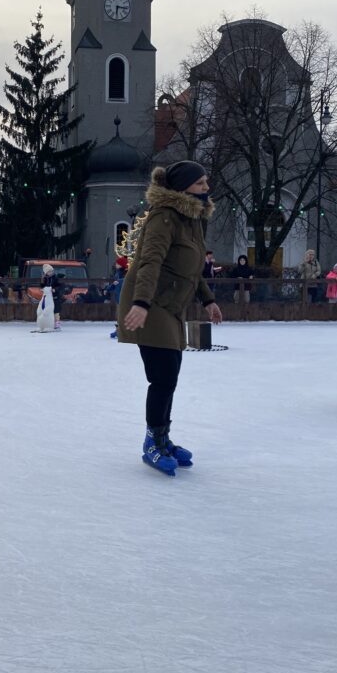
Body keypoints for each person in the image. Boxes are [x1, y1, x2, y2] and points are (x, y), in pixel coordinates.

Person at [118, 160, 222, 476]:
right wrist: (140, 302)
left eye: (206, 182)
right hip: (150, 305)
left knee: (170, 376)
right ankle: (152, 442)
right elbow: (149, 261)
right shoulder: (164, 218)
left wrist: (208, 300)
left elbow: (191, 267)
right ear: (184, 188)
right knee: (162, 377)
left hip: (170, 306)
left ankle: (163, 438)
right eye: (201, 183)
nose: (207, 188)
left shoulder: (191, 219)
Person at [41, 264, 65, 330]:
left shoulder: (55, 278)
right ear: (46, 273)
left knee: (56, 310)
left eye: (51, 271)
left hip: (55, 296)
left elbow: (60, 286)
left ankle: (57, 323)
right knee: (48, 310)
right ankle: (48, 323)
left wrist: (55, 289)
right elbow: (42, 286)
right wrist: (42, 286)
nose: (51, 272)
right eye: (49, 271)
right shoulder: (45, 278)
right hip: (48, 297)